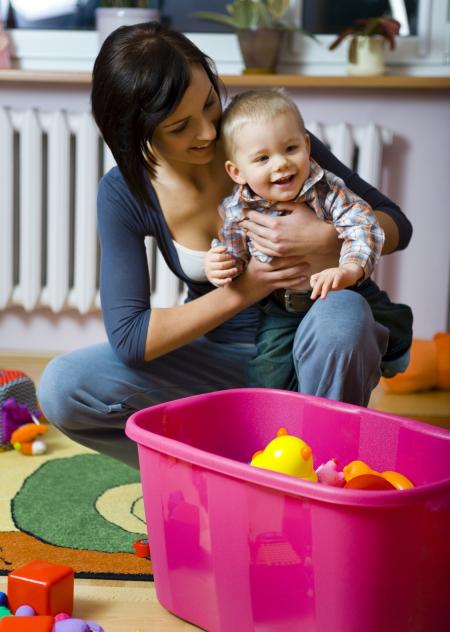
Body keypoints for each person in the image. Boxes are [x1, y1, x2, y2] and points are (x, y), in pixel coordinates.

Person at [37, 22, 413, 470]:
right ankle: (215, 473)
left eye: (210, 103)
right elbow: (132, 339)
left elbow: (397, 224)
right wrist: (250, 285)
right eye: (180, 126)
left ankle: (316, 479)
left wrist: (326, 239)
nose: (208, 133)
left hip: (314, 353)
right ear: (137, 131)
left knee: (346, 314)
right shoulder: (125, 192)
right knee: (63, 386)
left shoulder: (259, 137)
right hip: (220, 364)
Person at [205, 89, 412, 390]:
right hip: (281, 307)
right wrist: (221, 262)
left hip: (345, 287)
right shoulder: (237, 209)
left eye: (290, 149)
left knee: (387, 324)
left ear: (306, 144)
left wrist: (350, 269)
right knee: (264, 375)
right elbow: (234, 248)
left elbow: (362, 225)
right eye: (262, 158)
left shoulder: (327, 190)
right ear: (237, 172)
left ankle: (397, 342)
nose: (281, 164)